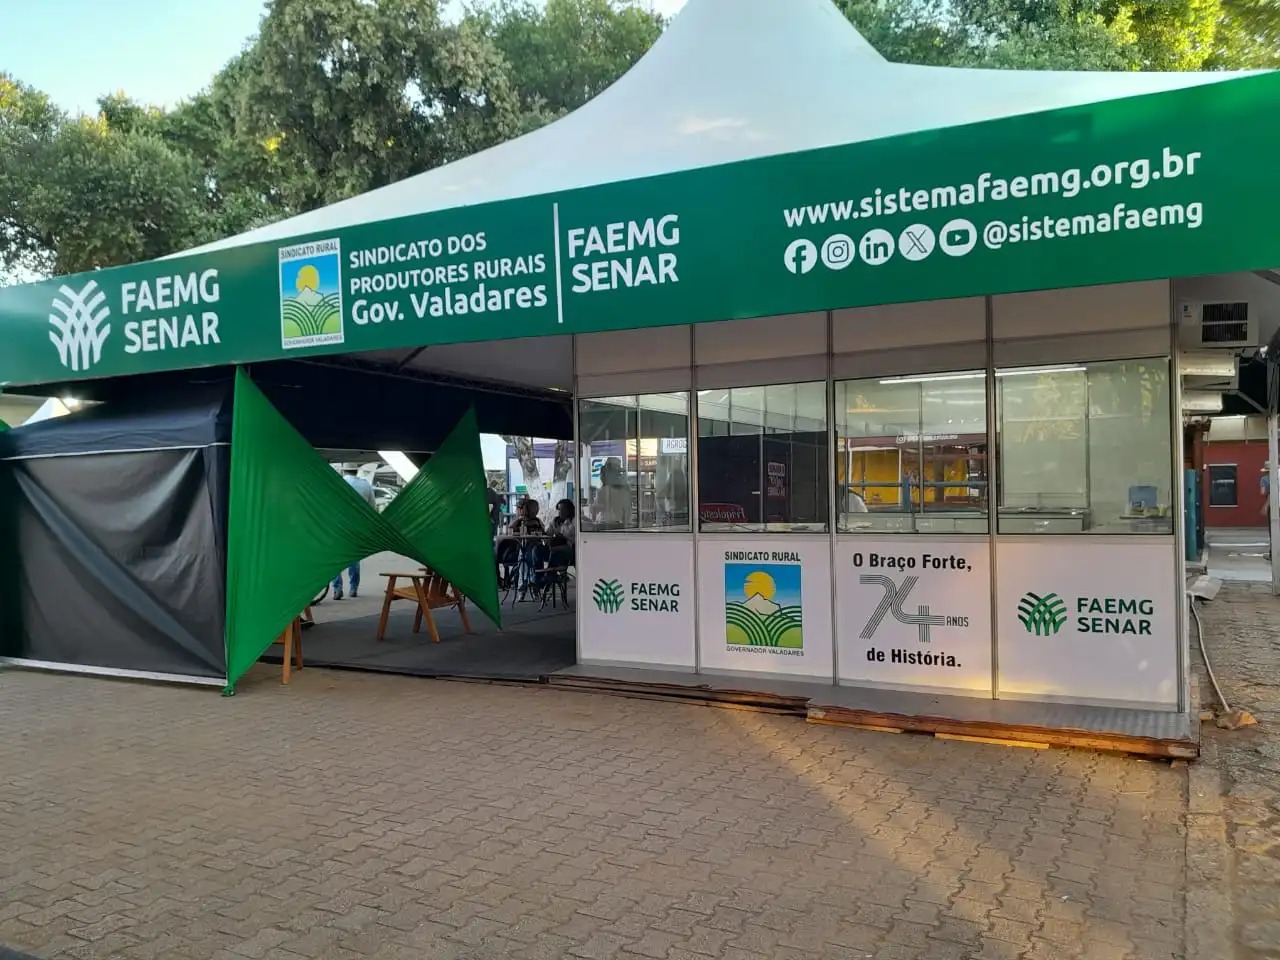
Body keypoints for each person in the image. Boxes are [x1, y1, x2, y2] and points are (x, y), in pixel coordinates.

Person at [333, 465, 376, 600]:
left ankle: (337, 588)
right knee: (353, 558)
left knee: (335, 558)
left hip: (339, 526)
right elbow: (372, 508)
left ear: (343, 470)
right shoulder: (366, 485)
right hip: (357, 527)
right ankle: (353, 588)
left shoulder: (338, 484)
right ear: (357, 470)